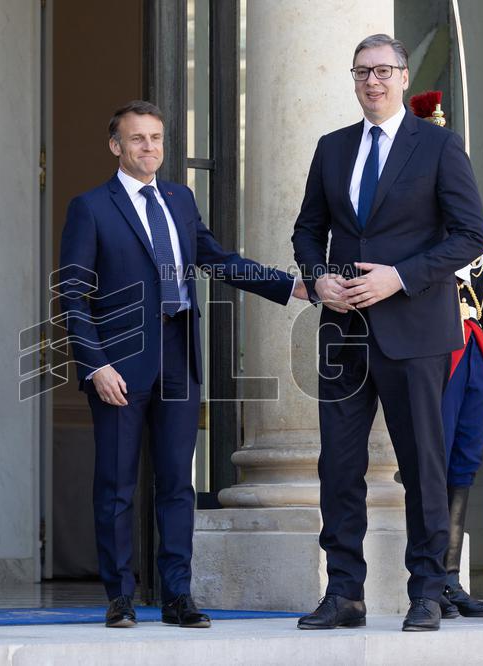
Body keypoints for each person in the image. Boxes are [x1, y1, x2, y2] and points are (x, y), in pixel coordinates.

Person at [59, 100, 306, 629]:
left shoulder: (179, 199)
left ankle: (177, 596)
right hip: (119, 365)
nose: (150, 148)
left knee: (176, 484)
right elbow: (73, 295)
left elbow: (217, 260)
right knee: (117, 484)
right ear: (115, 146)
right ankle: (120, 596)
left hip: (179, 357)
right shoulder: (92, 207)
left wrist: (292, 286)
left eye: (157, 138)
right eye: (138, 139)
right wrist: (94, 365)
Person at [291, 34, 483, 632]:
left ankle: (427, 590)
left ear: (404, 77)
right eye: (361, 72)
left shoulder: (439, 146)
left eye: (382, 71)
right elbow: (307, 230)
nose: (371, 81)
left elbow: (469, 234)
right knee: (339, 465)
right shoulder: (331, 149)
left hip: (415, 329)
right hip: (342, 330)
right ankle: (344, 594)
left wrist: (399, 278)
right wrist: (318, 276)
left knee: (423, 464)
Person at [439, 257, 483, 619]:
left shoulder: (469, 248)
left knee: (464, 464)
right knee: (433, 462)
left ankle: (450, 578)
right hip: (436, 351)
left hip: (474, 349)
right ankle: (429, 579)